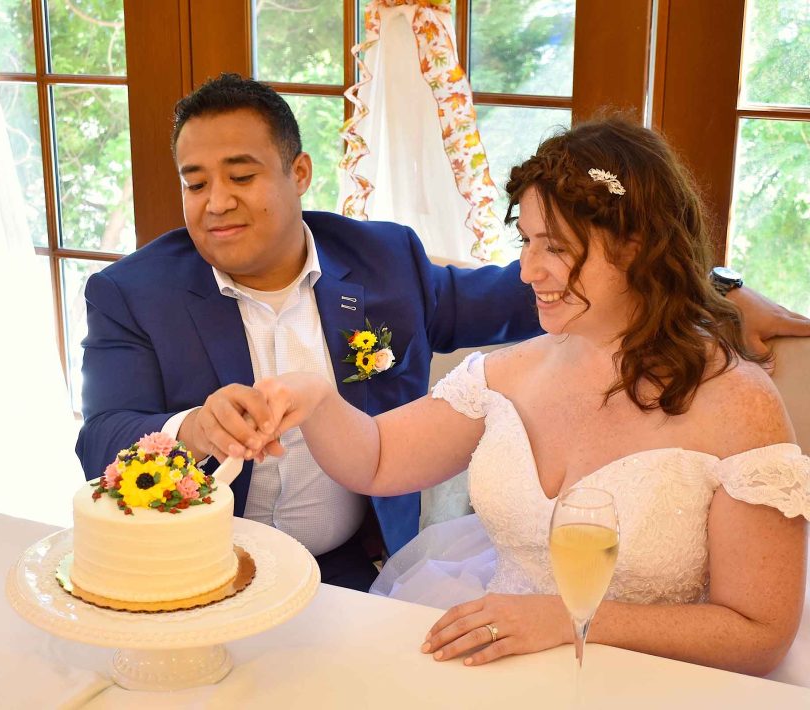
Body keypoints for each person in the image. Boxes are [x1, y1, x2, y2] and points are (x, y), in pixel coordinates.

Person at [76, 72, 807, 593]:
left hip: (350, 572)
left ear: (298, 172)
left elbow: (565, 287)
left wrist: (715, 285)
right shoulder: (130, 292)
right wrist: (194, 430)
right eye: (194, 181)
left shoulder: (384, 261)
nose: (215, 202)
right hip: (194, 566)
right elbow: (100, 438)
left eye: (240, 174)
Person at [238, 117, 810, 676]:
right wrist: (315, 396)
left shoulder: (739, 404)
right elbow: (379, 458)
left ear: (637, 246)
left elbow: (758, 633)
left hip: (654, 680)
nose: (528, 270)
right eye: (526, 241)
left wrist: (568, 619)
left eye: (555, 247)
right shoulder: (505, 375)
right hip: (500, 669)